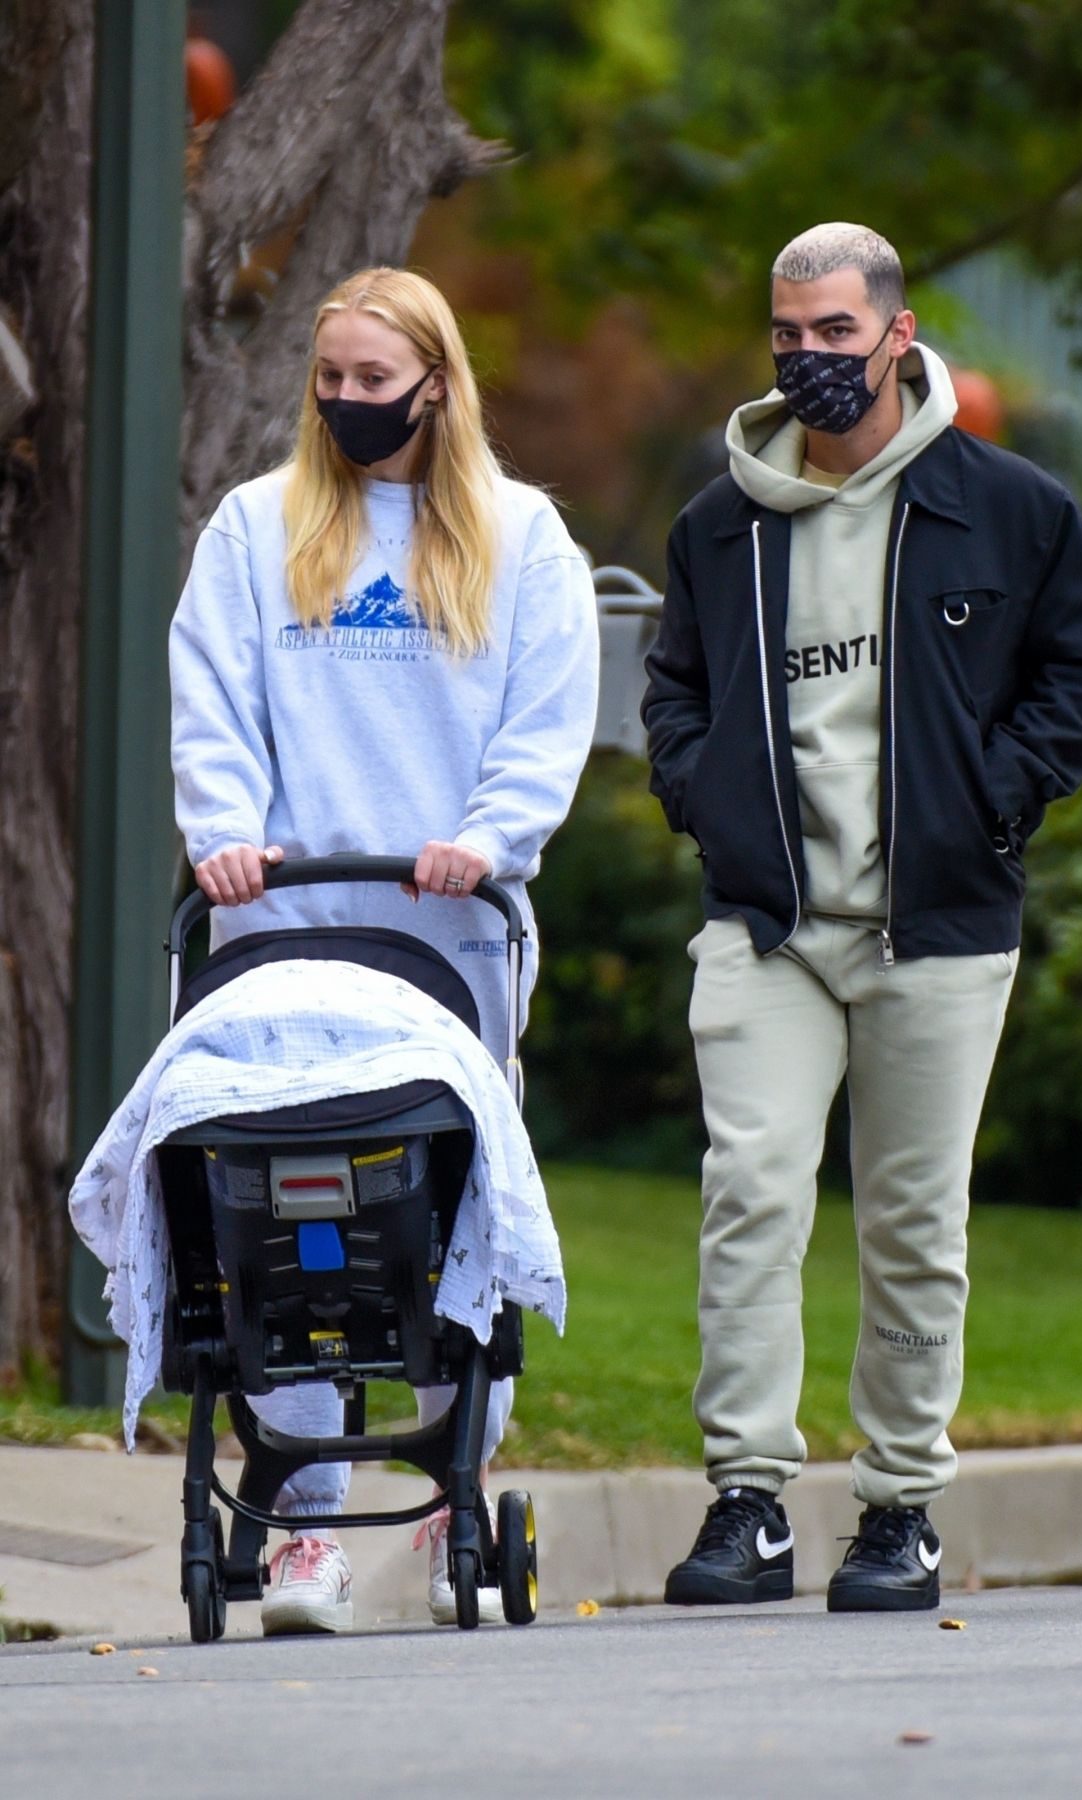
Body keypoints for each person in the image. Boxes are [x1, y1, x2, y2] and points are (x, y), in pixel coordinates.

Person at [642, 222, 1082, 1613]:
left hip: (938, 924)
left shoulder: (1008, 506)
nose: (810, 359)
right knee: (749, 1192)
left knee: (916, 1222)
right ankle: (746, 1500)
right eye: (788, 336)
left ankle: (900, 1510)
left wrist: (997, 797)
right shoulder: (721, 524)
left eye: (835, 336)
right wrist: (707, 800)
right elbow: (672, 692)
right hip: (769, 927)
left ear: (898, 335)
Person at [170, 266, 598, 1633]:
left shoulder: (523, 541)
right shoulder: (258, 527)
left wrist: (492, 837)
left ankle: (447, 1483)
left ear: (436, 383)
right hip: (283, 933)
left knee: (446, 1208)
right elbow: (213, 699)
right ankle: (296, 1523)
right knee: (276, 1220)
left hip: (447, 943)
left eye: (375, 381)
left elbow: (546, 722)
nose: (350, 403)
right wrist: (225, 832)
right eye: (332, 380)